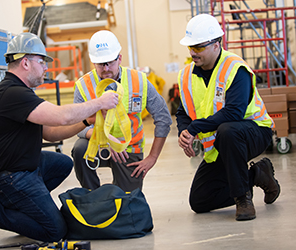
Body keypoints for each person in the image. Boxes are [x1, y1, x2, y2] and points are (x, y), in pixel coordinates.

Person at [0, 32, 119, 245]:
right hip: (6, 177)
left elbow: (50, 132)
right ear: (25, 62)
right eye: (42, 61)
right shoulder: (12, 93)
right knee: (55, 231)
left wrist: (86, 121)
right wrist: (99, 103)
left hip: (20, 168)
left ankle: (26, 212)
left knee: (63, 163)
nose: (46, 67)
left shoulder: (21, 93)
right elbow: (62, 116)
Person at [176, 14, 281, 221]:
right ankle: (258, 174)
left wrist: (195, 128)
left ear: (216, 44)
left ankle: (243, 199)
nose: (192, 52)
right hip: (219, 143)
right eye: (190, 47)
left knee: (228, 130)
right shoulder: (186, 75)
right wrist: (184, 132)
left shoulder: (235, 68)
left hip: (254, 132)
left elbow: (234, 113)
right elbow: (183, 112)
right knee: (200, 201)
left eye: (198, 47)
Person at [72, 30, 172, 192]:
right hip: (99, 144)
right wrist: (106, 139)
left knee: (128, 202)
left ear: (119, 58)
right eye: (100, 64)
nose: (105, 69)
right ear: (93, 62)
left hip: (129, 149)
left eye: (109, 62)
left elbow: (163, 118)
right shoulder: (83, 86)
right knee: (80, 149)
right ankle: (92, 197)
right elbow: (79, 126)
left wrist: (152, 157)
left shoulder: (139, 80)